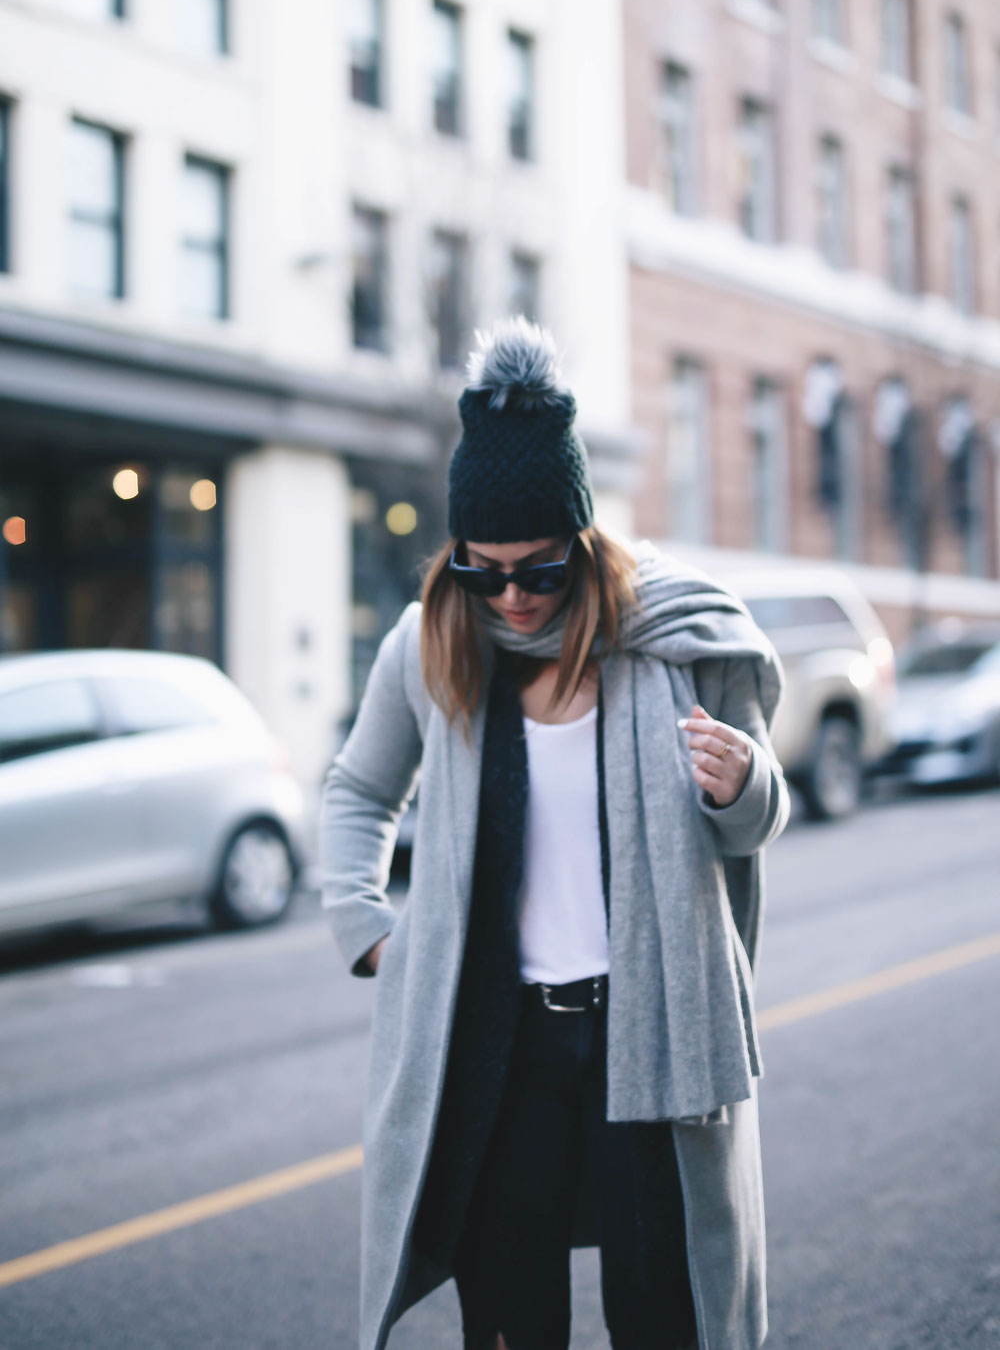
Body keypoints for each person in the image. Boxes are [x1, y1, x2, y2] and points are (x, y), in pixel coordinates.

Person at [320, 318, 790, 1350]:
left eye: (538, 570)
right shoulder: (433, 640)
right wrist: (365, 929)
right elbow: (357, 791)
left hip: (647, 1027)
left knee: (662, 1310)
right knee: (511, 1316)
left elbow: (759, 817)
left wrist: (741, 781)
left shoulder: (675, 638)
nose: (514, 596)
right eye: (482, 570)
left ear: (582, 544)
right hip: (501, 1036)